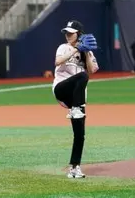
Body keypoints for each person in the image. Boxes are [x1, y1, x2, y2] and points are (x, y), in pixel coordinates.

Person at [52, 20, 99, 178]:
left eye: (71, 33)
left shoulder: (87, 51)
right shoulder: (63, 48)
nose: (67, 35)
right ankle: (76, 109)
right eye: (66, 32)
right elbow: (57, 62)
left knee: (80, 134)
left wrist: (85, 53)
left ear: (79, 34)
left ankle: (74, 168)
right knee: (82, 75)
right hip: (61, 89)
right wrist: (75, 49)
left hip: (76, 98)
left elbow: (92, 70)